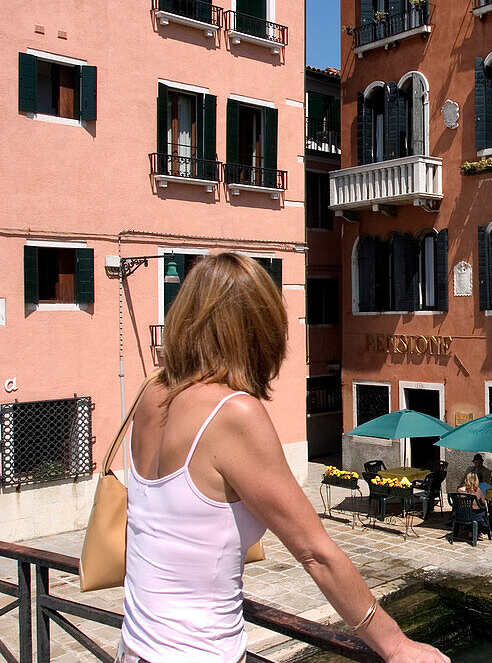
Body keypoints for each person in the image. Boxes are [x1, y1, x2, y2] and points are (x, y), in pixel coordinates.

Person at [118, 253, 447, 663]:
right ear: (259, 332)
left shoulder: (151, 393)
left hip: (133, 647)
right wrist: (397, 645)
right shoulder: (232, 414)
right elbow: (316, 553)